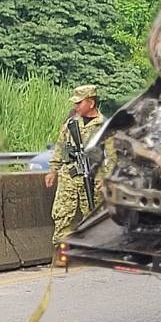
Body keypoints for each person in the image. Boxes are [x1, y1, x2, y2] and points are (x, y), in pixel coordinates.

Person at [45, 85, 113, 247]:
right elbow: (60, 147)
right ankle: (62, 251)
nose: (75, 107)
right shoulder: (71, 123)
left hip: (92, 177)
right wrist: (53, 170)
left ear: (90, 103)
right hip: (68, 176)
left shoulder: (103, 126)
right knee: (62, 215)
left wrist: (106, 178)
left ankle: (92, 252)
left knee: (92, 215)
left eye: (79, 103)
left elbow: (112, 156)